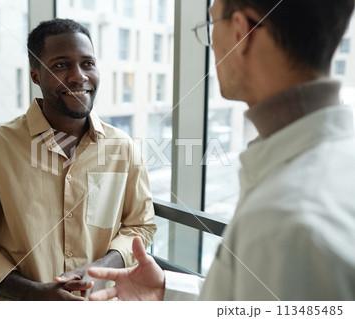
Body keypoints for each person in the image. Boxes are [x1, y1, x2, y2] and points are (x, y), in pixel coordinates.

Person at [88, 0, 355, 301]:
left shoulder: (285, 225)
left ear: (242, 31)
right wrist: (171, 291)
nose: (211, 44)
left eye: (212, 24)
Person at [0, 18, 157, 301]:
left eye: (88, 63)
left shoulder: (123, 148)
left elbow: (141, 225)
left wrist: (101, 268)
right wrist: (34, 293)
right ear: (36, 76)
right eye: (61, 65)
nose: (79, 76)